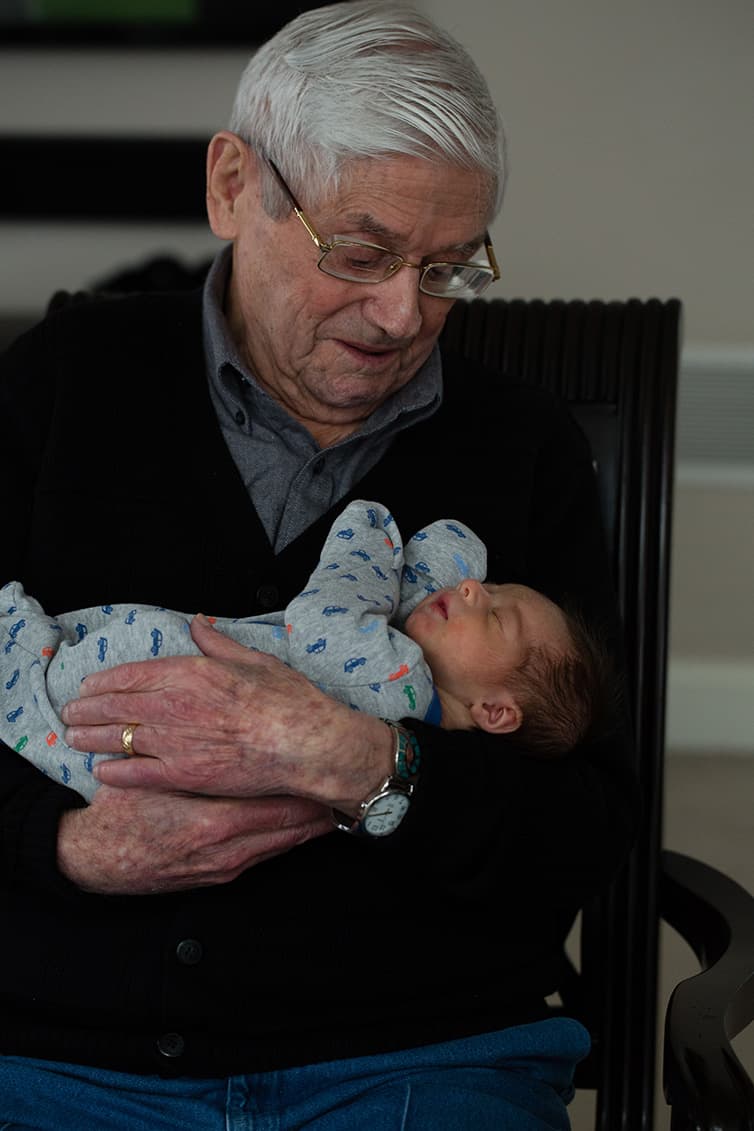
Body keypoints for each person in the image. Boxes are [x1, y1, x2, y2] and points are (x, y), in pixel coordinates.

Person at [0, 3, 638, 1129]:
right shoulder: (62, 382)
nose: (402, 315)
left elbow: (583, 825)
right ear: (233, 186)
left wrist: (372, 762)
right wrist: (66, 847)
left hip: (417, 1053)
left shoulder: (522, 447)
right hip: (61, 1053)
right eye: (363, 252)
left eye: (448, 268)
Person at [2, 499, 614, 804]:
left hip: (122, 692)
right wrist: (459, 596)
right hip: (130, 744)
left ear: (496, 711)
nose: (475, 589)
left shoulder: (395, 676)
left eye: (498, 617)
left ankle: (27, 660)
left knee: (135, 644)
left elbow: (323, 618)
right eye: (491, 586)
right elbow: (446, 552)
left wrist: (371, 529)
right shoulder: (415, 691)